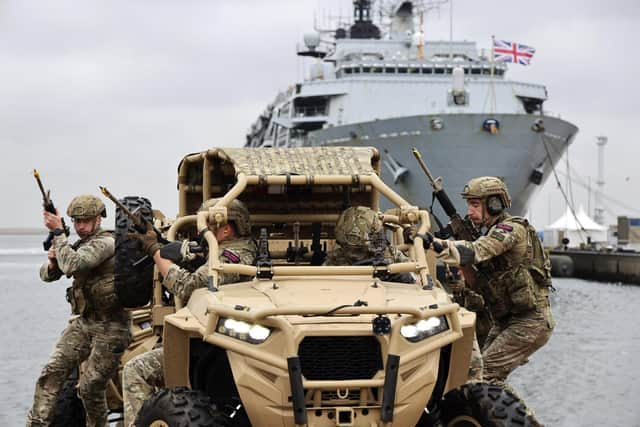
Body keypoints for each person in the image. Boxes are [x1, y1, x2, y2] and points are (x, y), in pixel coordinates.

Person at [121, 198, 257, 427]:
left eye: (208, 225)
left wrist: (155, 251)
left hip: (212, 350)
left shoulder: (230, 257)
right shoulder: (237, 249)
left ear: (226, 229)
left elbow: (186, 285)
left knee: (135, 370)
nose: (201, 231)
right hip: (222, 349)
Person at [430, 176, 555, 388]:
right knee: (474, 375)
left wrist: (435, 244)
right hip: (506, 320)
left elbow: (478, 250)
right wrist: (463, 270)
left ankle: (513, 420)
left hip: (530, 321)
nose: (470, 211)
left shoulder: (511, 230)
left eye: (475, 204)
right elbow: (479, 285)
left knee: (482, 378)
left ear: (494, 204)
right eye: (469, 204)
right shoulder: (489, 233)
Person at [26, 195, 129, 427]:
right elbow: (47, 275)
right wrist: (53, 263)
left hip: (112, 327)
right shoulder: (79, 244)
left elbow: (74, 264)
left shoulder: (106, 242)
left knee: (91, 385)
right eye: (76, 221)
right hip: (85, 322)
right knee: (51, 372)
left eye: (85, 221)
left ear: (98, 220)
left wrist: (59, 235)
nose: (80, 226)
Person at [325, 206, 413, 283]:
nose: (355, 254)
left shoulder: (391, 254)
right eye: (351, 249)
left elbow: (416, 279)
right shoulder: (334, 260)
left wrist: (400, 276)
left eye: (359, 249)